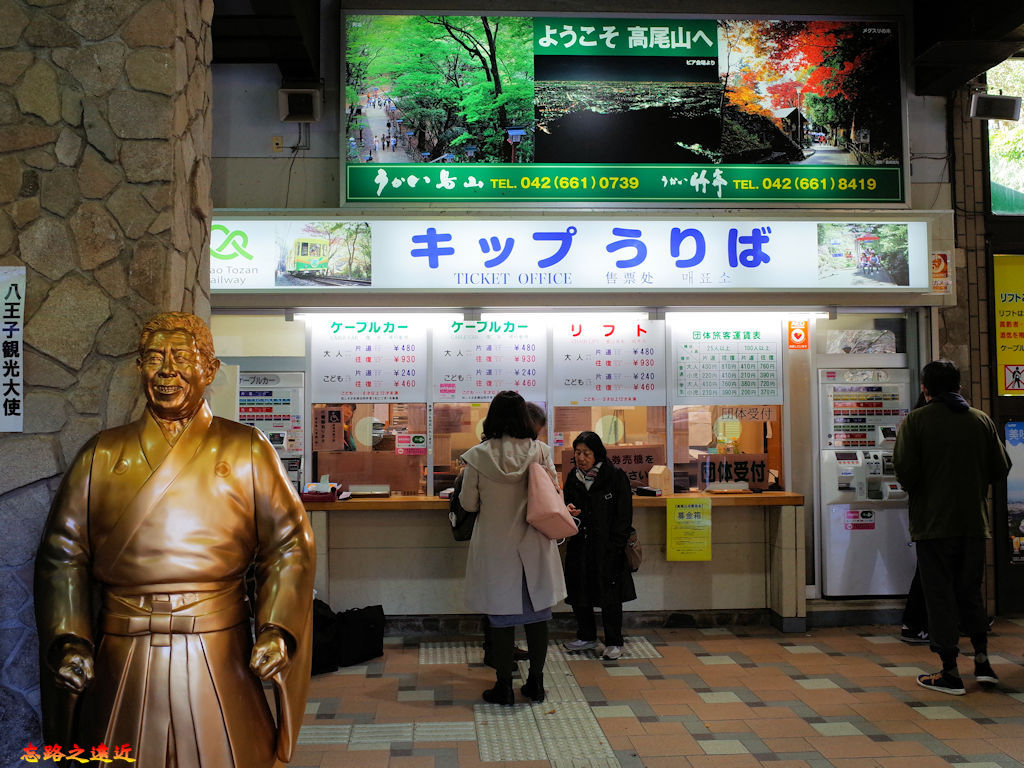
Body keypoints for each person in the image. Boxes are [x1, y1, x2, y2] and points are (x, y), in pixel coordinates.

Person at [35, 312, 315, 767]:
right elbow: (62, 555)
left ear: (209, 368)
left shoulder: (247, 448)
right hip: (122, 649)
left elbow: (289, 544)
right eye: (154, 358)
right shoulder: (102, 454)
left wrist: (275, 627)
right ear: (138, 368)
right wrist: (71, 639)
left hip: (216, 649)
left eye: (182, 358)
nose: (168, 371)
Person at [893, 359, 1010, 695]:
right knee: (970, 592)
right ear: (959, 386)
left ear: (925, 388)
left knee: (940, 595)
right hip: (973, 523)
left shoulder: (916, 422)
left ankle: (949, 671)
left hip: (933, 525)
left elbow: (906, 474)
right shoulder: (980, 420)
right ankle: (984, 663)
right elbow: (1000, 468)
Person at [459, 391, 566, 705]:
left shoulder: (477, 456)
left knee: (501, 617)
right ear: (523, 417)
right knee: (537, 617)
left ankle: (503, 686)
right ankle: (536, 683)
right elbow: (553, 494)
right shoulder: (541, 452)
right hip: (534, 543)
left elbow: (468, 503)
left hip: (496, 548)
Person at [562, 431, 637, 661]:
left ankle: (614, 641)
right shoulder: (573, 478)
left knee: (610, 595)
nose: (581, 457)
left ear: (597, 453)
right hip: (580, 545)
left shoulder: (615, 476)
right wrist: (568, 509)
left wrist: (616, 544)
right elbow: (564, 505)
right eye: (577, 453)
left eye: (586, 453)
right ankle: (586, 636)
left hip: (608, 547)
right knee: (580, 591)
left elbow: (624, 514)